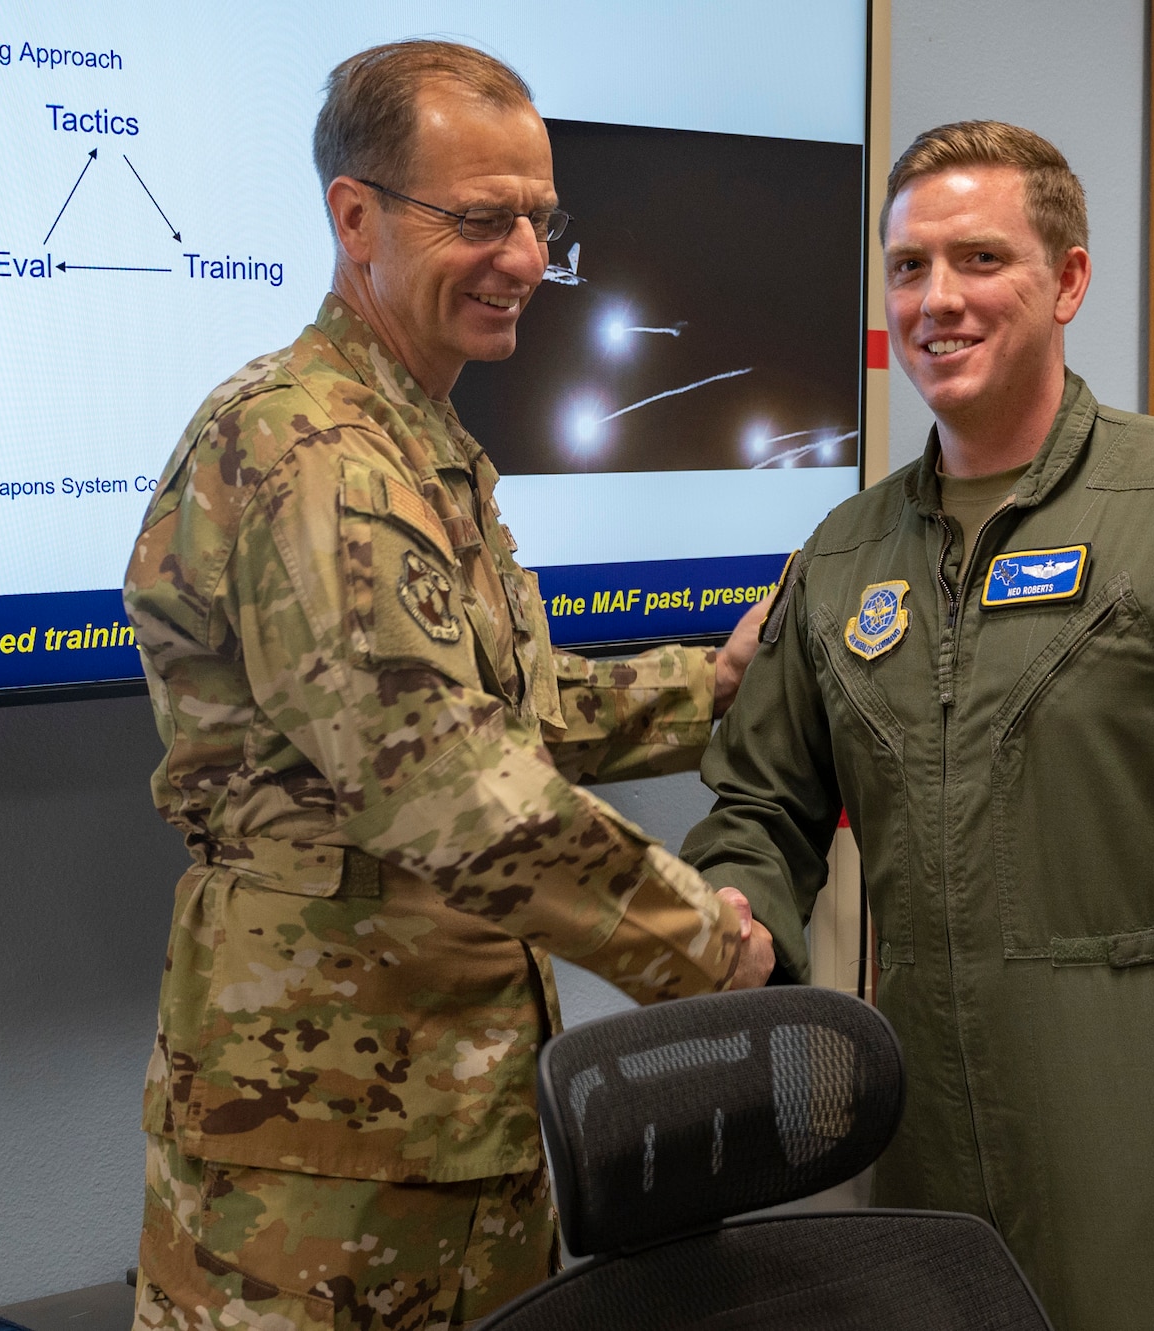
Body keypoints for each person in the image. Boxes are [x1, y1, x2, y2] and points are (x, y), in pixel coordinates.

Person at [679, 120, 1154, 1331]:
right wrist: (736, 914)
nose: (939, 299)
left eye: (981, 260)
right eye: (909, 267)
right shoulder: (840, 558)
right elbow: (759, 805)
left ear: (1068, 281)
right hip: (925, 1138)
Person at [122, 41, 775, 1331]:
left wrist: (709, 682)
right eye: (480, 219)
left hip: (437, 1122)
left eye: (539, 218)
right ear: (353, 216)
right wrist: (705, 946)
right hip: (321, 1160)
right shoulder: (317, 453)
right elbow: (447, 787)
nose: (527, 259)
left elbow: (495, 717)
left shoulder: (415, 443)